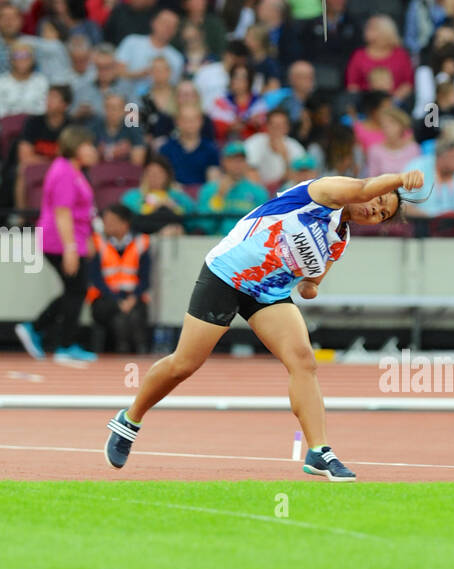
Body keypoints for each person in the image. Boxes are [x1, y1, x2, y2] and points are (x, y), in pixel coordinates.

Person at [104, 168, 428, 482]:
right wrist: (400, 179)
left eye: (381, 215)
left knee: (303, 360)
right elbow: (360, 190)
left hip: (267, 293)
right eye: (379, 200)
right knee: (184, 364)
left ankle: (319, 451)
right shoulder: (324, 193)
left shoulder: (340, 239)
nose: (374, 210)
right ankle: (129, 420)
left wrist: (310, 286)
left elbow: (312, 282)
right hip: (228, 273)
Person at [15, 127, 99, 365]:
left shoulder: (75, 171)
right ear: (75, 146)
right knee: (77, 290)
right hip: (59, 240)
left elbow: (82, 212)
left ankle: (36, 328)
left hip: (71, 239)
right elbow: (62, 213)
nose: (93, 150)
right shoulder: (64, 172)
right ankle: (63, 344)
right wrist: (70, 248)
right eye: (88, 145)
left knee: (74, 290)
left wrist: (87, 239)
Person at [87, 203, 151, 355]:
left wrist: (132, 298)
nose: (106, 225)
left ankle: (137, 351)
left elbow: (145, 278)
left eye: (111, 221)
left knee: (132, 316)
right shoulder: (97, 242)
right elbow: (95, 278)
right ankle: (123, 351)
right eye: (105, 221)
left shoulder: (141, 242)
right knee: (118, 315)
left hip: (132, 297)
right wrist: (117, 300)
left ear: (125, 223)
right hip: (105, 298)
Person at [199, 142, 263, 235]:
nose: (237, 164)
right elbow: (203, 225)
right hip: (215, 242)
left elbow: (262, 226)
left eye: (241, 160)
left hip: (246, 243)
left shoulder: (258, 192)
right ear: (223, 162)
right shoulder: (209, 190)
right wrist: (219, 196)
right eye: (233, 160)